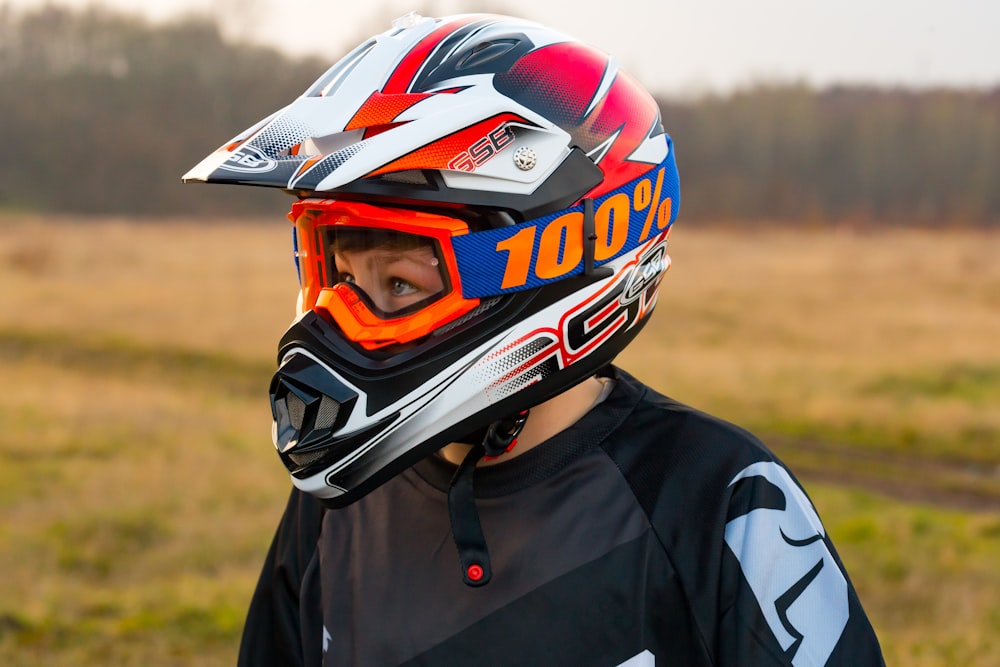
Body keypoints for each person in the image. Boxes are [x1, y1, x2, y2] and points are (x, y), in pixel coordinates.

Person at [183, 12, 885, 666]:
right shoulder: (337, 511)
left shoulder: (717, 503)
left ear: (545, 260)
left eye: (398, 284)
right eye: (338, 275)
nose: (340, 321)